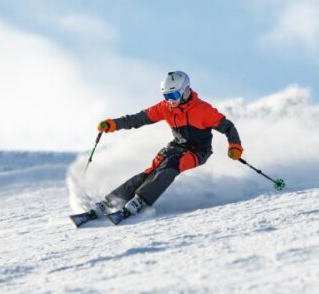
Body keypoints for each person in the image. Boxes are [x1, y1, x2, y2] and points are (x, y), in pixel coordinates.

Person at [93, 70, 243, 217]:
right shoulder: (165, 108)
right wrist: (113, 124)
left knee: (171, 166)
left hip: (198, 151)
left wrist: (234, 146)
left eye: (174, 95)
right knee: (152, 171)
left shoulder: (203, 110)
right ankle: (113, 201)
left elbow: (228, 127)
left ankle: (141, 201)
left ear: (185, 91)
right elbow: (138, 119)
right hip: (177, 146)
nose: (170, 100)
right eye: (167, 96)